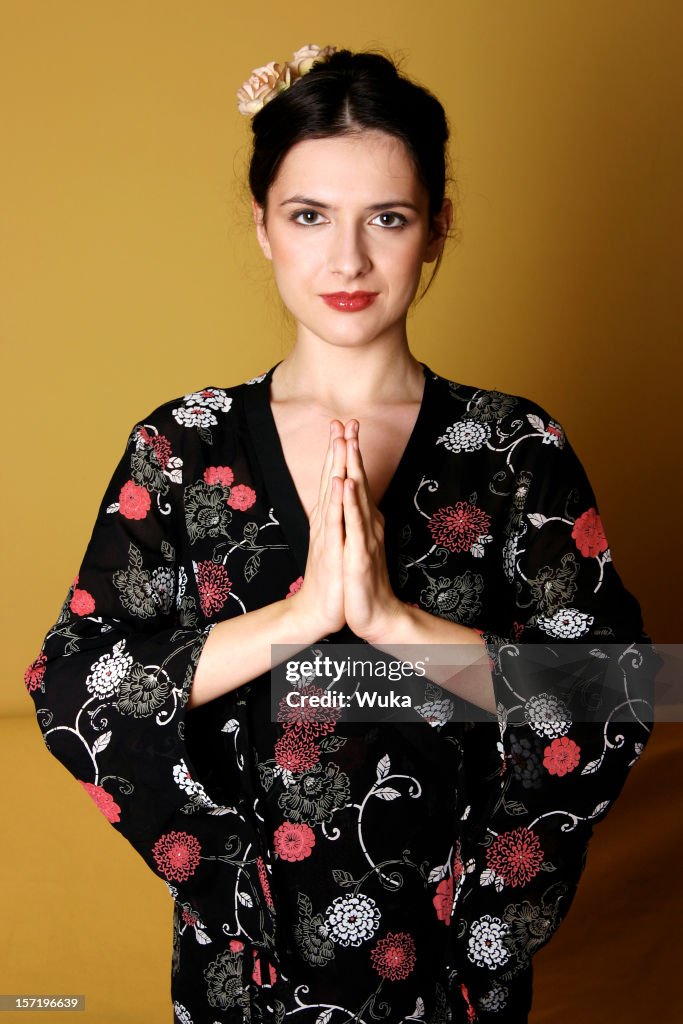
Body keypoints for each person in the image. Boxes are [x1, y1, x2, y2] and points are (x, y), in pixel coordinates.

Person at [25, 45, 656, 1024]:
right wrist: (302, 616)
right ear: (263, 225)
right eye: (309, 215)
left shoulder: (512, 448)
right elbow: (72, 686)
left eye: (387, 219)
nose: (347, 260)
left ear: (437, 225)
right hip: (247, 974)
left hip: (449, 976)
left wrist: (396, 627)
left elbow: (620, 688)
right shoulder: (181, 446)